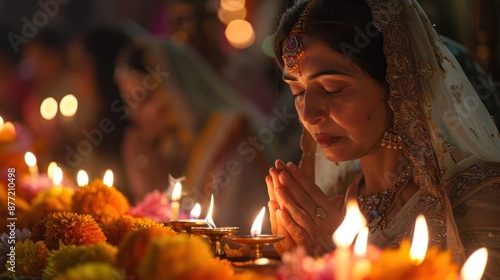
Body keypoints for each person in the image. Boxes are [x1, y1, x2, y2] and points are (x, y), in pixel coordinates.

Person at [266, 0, 500, 278]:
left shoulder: (477, 196)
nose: (308, 114)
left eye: (332, 88)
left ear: (399, 82)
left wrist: (337, 258)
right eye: (298, 92)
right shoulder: (330, 195)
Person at [115, 35, 282, 233]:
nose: (133, 114)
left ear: (176, 90)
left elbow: (228, 230)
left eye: (145, 100)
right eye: (128, 101)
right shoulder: (173, 145)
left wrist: (158, 189)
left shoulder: (233, 138)